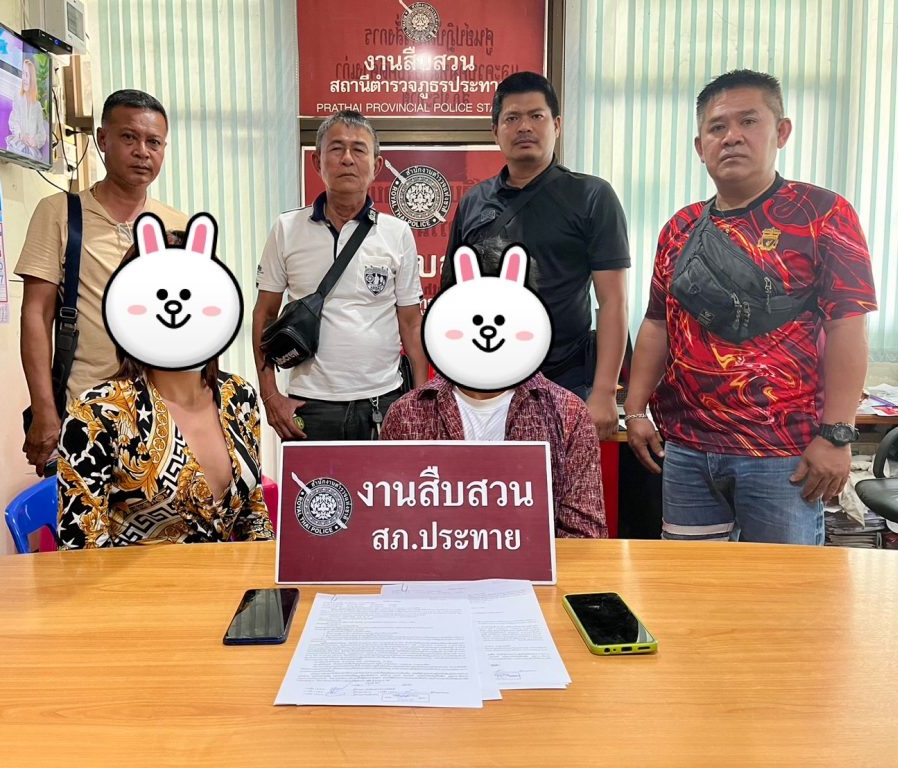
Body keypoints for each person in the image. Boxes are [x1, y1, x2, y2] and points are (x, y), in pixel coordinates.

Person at [624, 69, 877, 545]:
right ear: (700, 146)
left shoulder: (822, 214)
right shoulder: (680, 227)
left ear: (781, 131)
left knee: (780, 587)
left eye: (749, 121)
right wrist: (635, 410)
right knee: (692, 583)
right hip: (688, 449)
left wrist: (837, 435)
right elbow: (657, 323)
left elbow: (848, 326)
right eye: (717, 127)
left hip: (783, 452)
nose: (732, 137)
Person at [440, 71, 630, 441]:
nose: (524, 126)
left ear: (556, 125)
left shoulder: (592, 196)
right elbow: (453, 295)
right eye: (512, 118)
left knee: (562, 478)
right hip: (485, 383)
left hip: (565, 381)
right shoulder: (474, 201)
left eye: (536, 116)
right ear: (495, 131)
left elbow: (613, 301)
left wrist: (605, 392)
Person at [57, 231, 273, 549]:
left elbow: (253, 513)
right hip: (135, 581)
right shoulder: (96, 414)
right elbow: (80, 552)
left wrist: (269, 573)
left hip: (230, 579)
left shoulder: (238, 395)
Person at [15, 89, 186, 475]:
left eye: (154, 142)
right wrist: (44, 410)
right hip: (85, 413)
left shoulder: (178, 225)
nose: (142, 152)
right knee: (84, 513)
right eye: (129, 137)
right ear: (103, 139)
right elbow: (35, 315)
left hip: (163, 417)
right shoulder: (60, 213)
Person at [384, 243, 606, 538]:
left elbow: (585, 534)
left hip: (534, 568)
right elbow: (390, 525)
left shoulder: (568, 414)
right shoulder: (407, 414)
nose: (488, 329)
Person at [252, 110, 427, 441]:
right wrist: (270, 395)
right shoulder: (287, 229)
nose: (347, 158)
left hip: (383, 402)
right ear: (317, 162)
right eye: (336, 148)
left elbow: (410, 323)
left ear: (376, 165)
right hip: (309, 405)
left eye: (359, 149)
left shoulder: (397, 233)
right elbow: (265, 314)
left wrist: (419, 401)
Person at [6, 58, 46, 160]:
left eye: (27, 75)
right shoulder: (18, 97)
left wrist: (34, 141)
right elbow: (13, 121)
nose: (24, 78)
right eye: (23, 74)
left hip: (31, 152)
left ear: (32, 79)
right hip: (17, 145)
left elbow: (42, 134)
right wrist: (21, 135)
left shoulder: (37, 106)